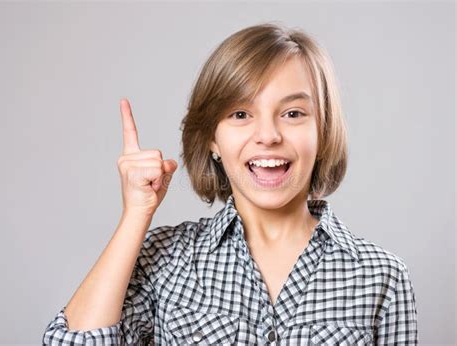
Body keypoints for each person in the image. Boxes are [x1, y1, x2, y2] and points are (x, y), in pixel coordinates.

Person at [42, 22, 418, 345]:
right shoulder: (168, 259)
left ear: (323, 131)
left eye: (293, 113)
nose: (268, 135)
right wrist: (135, 215)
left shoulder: (381, 275)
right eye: (240, 114)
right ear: (212, 139)